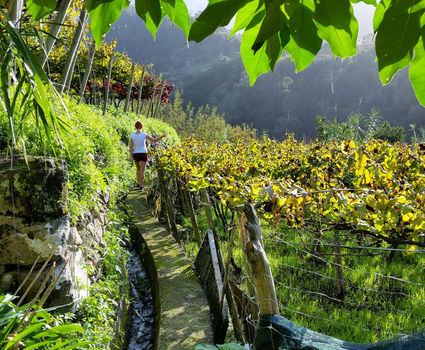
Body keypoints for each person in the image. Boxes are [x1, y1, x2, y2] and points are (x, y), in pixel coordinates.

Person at [129, 120, 166, 190]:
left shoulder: (132, 135)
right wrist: (161, 136)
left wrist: (130, 156)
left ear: (135, 127)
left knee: (138, 169)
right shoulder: (144, 134)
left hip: (136, 154)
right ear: (141, 127)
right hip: (143, 153)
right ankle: (141, 186)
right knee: (142, 170)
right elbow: (154, 140)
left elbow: (131, 147)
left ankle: (138, 184)